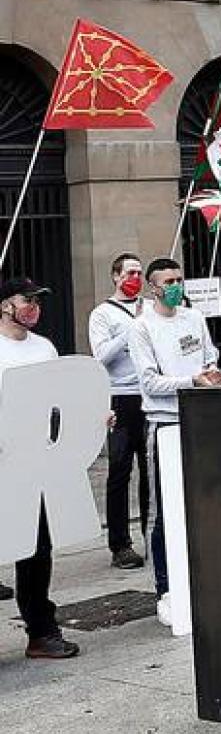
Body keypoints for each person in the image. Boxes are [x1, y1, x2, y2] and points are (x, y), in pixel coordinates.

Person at [129, 258, 221, 628]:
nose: (175, 285)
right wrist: (192, 380)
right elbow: (150, 382)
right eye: (168, 281)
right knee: (165, 510)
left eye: (179, 279)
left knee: (206, 501)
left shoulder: (193, 318)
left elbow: (209, 355)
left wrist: (210, 374)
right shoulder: (142, 328)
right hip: (165, 423)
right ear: (154, 287)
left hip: (200, 417)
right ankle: (165, 587)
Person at [1, 277, 81, 658]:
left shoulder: (45, 348)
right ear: (5, 305)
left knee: (36, 549)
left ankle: (41, 631)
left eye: (37, 300)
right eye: (26, 300)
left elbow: (59, 401)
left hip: (36, 462)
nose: (33, 307)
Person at [88, 253, 148, 570]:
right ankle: (120, 544)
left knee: (151, 470)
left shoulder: (149, 309)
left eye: (139, 272)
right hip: (119, 398)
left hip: (148, 395)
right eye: (129, 272)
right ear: (115, 276)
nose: (135, 278)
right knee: (120, 471)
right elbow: (101, 356)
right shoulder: (103, 314)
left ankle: (151, 535)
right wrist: (132, 329)